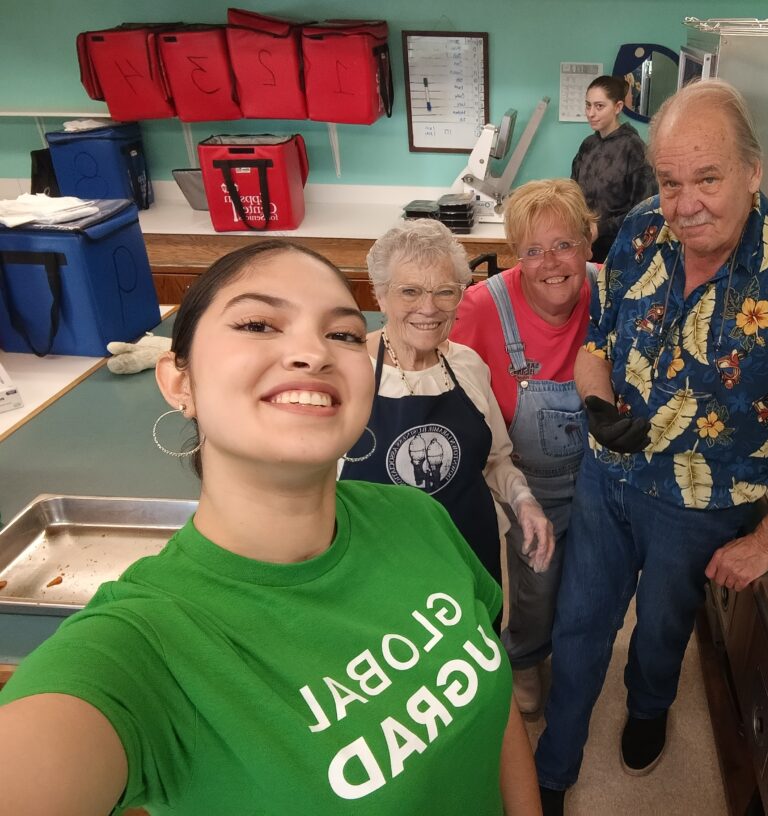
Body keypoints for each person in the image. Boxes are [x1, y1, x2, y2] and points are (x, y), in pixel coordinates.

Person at [0, 240, 542, 815]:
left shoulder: (419, 519)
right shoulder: (146, 646)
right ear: (180, 382)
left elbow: (490, 686)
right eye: (259, 323)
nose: (312, 351)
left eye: (342, 334)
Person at [535, 79, 768, 813]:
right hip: (610, 481)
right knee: (579, 626)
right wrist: (596, 402)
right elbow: (596, 344)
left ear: (753, 170)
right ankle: (553, 770)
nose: (685, 205)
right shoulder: (643, 229)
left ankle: (649, 707)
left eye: (708, 179)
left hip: (707, 505)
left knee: (661, 631)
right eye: (671, 180)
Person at [339, 219, 555, 595]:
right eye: (409, 291)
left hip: (469, 558)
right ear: (379, 294)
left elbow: (495, 461)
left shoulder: (469, 365)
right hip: (376, 573)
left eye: (445, 291)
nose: (428, 307)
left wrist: (525, 504)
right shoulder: (345, 372)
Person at [450, 179, 596, 715]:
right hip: (531, 484)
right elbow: (445, 382)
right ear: (516, 257)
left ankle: (580, 661)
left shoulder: (615, 291)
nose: (550, 263)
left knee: (592, 587)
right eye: (532, 250)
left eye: (564, 245)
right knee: (536, 589)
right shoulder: (481, 308)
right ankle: (527, 658)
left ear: (588, 243)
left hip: (606, 478)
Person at [571, 75, 657, 263]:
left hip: (620, 252)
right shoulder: (588, 145)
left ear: (617, 107)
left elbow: (645, 209)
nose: (591, 113)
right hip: (585, 248)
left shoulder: (634, 148)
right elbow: (572, 193)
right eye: (588, 105)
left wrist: (600, 228)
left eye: (599, 106)